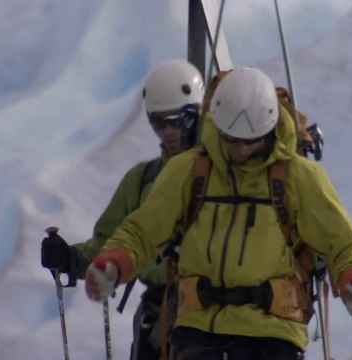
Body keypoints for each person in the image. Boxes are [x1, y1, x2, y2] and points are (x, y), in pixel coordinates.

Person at [83, 67, 352, 360]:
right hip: (199, 328)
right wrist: (115, 261)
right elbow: (144, 230)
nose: (239, 148)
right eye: (231, 139)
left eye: (249, 140)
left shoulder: (299, 177)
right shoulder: (190, 170)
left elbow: (342, 242)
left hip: (272, 333)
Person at [40, 59, 205, 360]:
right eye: (158, 122)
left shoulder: (219, 177)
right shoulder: (143, 180)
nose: (167, 132)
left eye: (175, 121)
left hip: (209, 319)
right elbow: (110, 242)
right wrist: (71, 258)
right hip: (159, 320)